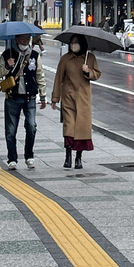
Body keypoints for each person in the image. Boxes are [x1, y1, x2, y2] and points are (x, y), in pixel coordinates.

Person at [0, 34, 46, 170]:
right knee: (11, 130)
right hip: (12, 97)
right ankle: (12, 158)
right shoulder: (8, 54)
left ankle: (29, 156)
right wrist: (7, 65)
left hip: (30, 98)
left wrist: (43, 95)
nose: (25, 41)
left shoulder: (35, 55)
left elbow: (40, 75)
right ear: (16, 39)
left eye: (27, 38)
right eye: (22, 38)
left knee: (31, 127)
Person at [51, 34, 100, 169]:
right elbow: (58, 79)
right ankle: (68, 156)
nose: (74, 45)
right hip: (68, 98)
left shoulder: (89, 58)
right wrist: (55, 98)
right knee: (69, 127)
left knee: (82, 129)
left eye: (77, 42)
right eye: (72, 43)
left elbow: (97, 74)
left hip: (83, 99)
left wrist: (88, 71)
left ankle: (79, 157)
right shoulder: (65, 59)